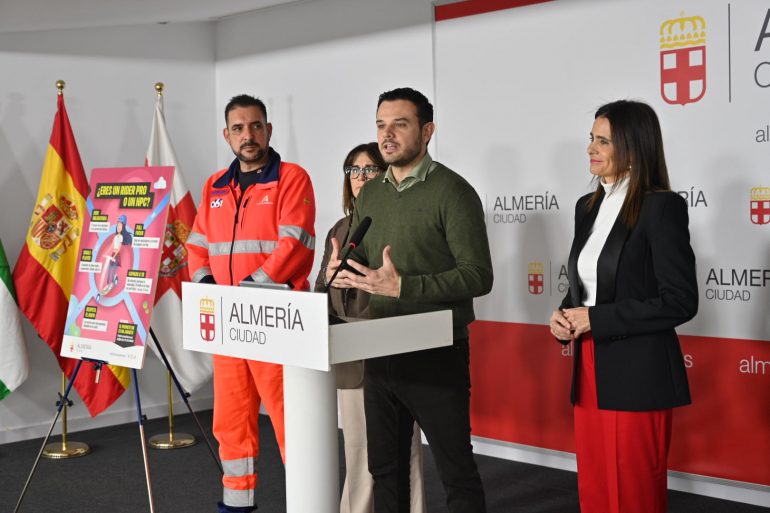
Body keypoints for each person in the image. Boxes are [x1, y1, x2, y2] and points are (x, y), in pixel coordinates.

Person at [328, 87, 493, 513]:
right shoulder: (372, 194)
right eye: (381, 125)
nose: (387, 134)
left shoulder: (453, 192)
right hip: (380, 351)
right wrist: (339, 271)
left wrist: (405, 287)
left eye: (400, 124)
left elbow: (478, 276)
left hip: (436, 350)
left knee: (455, 471)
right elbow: (365, 264)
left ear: (427, 131)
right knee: (386, 470)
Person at [549, 99, 697, 513]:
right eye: (590, 139)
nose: (590, 148)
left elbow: (680, 301)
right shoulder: (587, 206)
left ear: (632, 148)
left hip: (637, 370)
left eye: (603, 141)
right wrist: (564, 314)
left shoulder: (661, 207)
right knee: (596, 485)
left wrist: (594, 318)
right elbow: (588, 284)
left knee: (633, 490)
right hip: (590, 367)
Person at [187, 94, 316, 513]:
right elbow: (197, 245)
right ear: (227, 135)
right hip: (228, 323)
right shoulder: (214, 186)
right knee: (231, 420)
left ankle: (308, 500)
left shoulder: (291, 178)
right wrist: (210, 287)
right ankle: (236, 502)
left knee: (289, 418)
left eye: (256, 126)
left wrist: (246, 289)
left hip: (276, 320)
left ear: (269, 130)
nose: (249, 135)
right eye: (239, 128)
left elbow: (294, 243)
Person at [315, 142, 426, 513]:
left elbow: (407, 286)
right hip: (348, 350)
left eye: (370, 170)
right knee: (358, 447)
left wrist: (367, 282)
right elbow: (320, 287)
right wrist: (331, 281)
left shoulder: (401, 221)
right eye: (353, 170)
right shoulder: (340, 227)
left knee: (399, 448)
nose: (360, 177)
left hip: (389, 348)